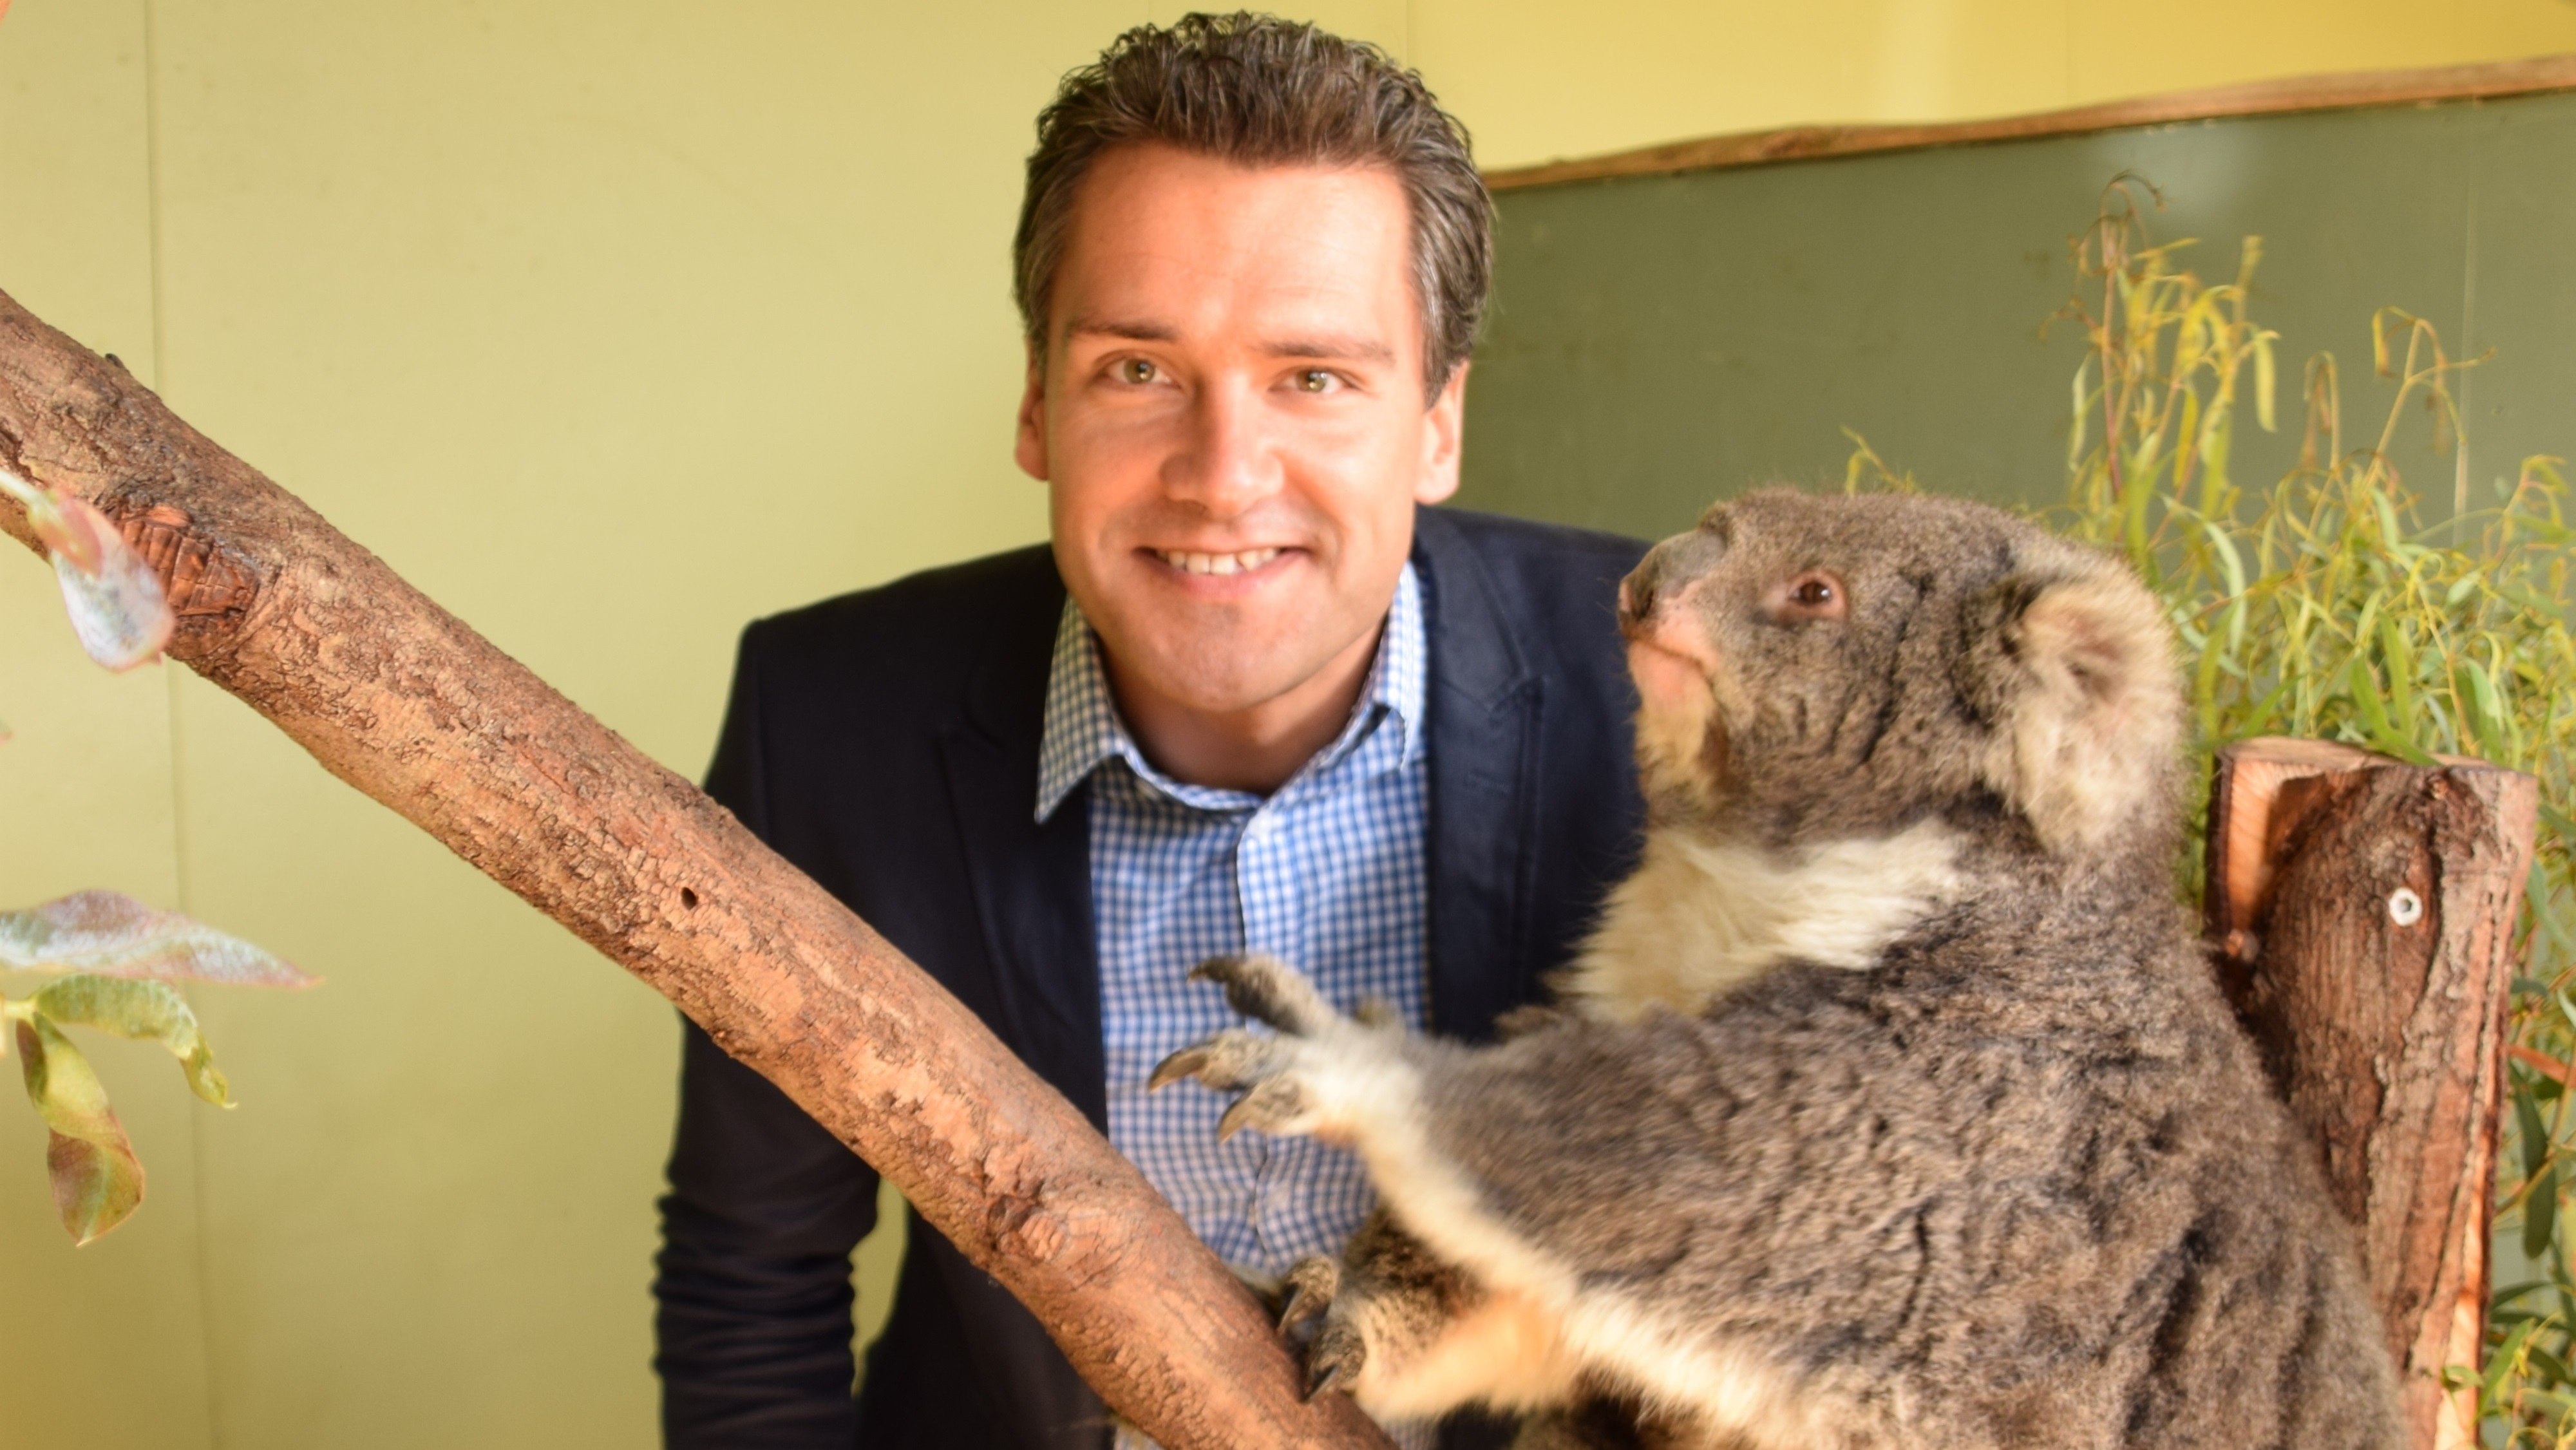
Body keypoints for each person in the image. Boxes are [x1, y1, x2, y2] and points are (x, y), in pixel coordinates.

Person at [652, 15, 1646, 1449]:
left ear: (1437, 423)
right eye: (1138, 369)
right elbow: (754, 1280)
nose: (1222, 477)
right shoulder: (829, 720)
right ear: (1035, 402)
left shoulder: (1662, 701)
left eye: (1313, 377)